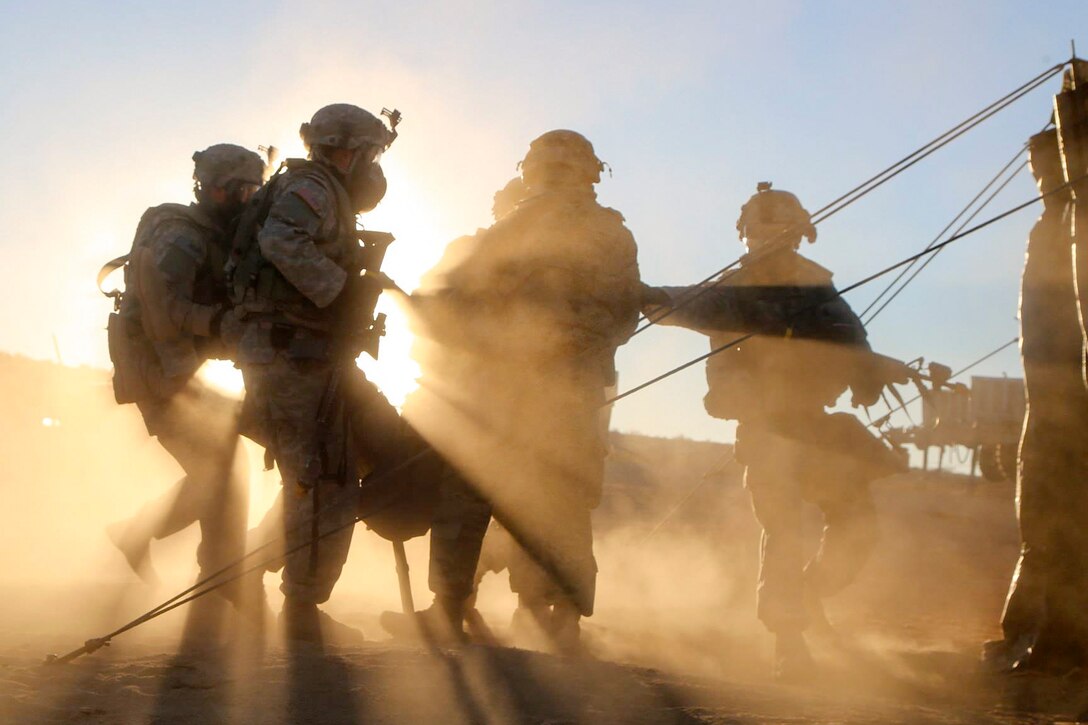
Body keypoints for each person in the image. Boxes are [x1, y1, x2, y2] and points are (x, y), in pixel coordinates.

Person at [231, 103, 481, 645]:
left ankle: (254, 567)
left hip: (317, 356)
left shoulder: (326, 192)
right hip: (293, 358)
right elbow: (280, 242)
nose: (374, 166)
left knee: (386, 450)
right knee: (327, 481)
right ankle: (299, 611)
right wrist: (343, 292)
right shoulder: (313, 188)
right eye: (370, 154)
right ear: (347, 151)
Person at [645, 182, 906, 681]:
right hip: (767, 431)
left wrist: (866, 374)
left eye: (782, 223)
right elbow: (696, 307)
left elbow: (853, 340)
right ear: (745, 233)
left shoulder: (818, 285)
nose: (772, 234)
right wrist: (651, 298)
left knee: (858, 528)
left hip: (818, 427)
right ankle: (789, 639)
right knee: (784, 535)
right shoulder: (734, 289)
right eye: (762, 225)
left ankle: (808, 595)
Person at [400, 131, 642, 652]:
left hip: (555, 388)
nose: (553, 176)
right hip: (511, 387)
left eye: (561, 167)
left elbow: (623, 311)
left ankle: (542, 614)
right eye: (546, 167)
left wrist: (561, 341)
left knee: (545, 497)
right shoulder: (521, 228)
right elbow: (457, 297)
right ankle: (468, 609)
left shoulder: (599, 233)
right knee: (489, 494)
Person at [104, 143, 267, 638]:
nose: (242, 198)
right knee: (219, 472)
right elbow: (163, 310)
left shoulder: (212, 236)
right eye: (233, 188)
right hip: (160, 373)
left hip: (179, 371)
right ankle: (150, 539)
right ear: (209, 188)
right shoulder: (181, 235)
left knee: (223, 469)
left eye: (250, 189)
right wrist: (221, 324)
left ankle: (215, 573)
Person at [983, 129, 1088, 674]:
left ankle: (1062, 634)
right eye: (1038, 173)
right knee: (1043, 516)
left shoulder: (1076, 223)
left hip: (1071, 395)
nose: (1043, 181)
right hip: (1048, 399)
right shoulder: (1048, 228)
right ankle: (1034, 628)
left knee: (1066, 513)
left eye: (1050, 169)